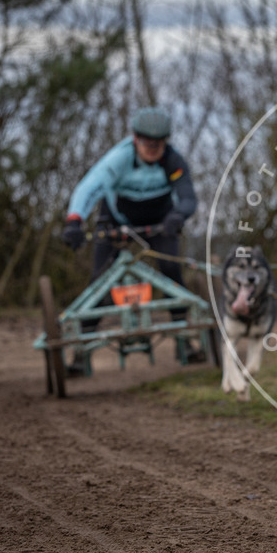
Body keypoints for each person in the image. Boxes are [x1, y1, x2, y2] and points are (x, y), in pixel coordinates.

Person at [61, 106, 204, 372]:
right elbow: (88, 188)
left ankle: (185, 340)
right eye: (147, 143)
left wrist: (178, 216)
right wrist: (74, 221)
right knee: (99, 280)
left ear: (165, 142)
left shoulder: (174, 161)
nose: (152, 148)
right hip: (116, 222)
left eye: (158, 144)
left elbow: (187, 197)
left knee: (171, 270)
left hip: (160, 223)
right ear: (135, 138)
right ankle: (81, 352)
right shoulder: (119, 159)